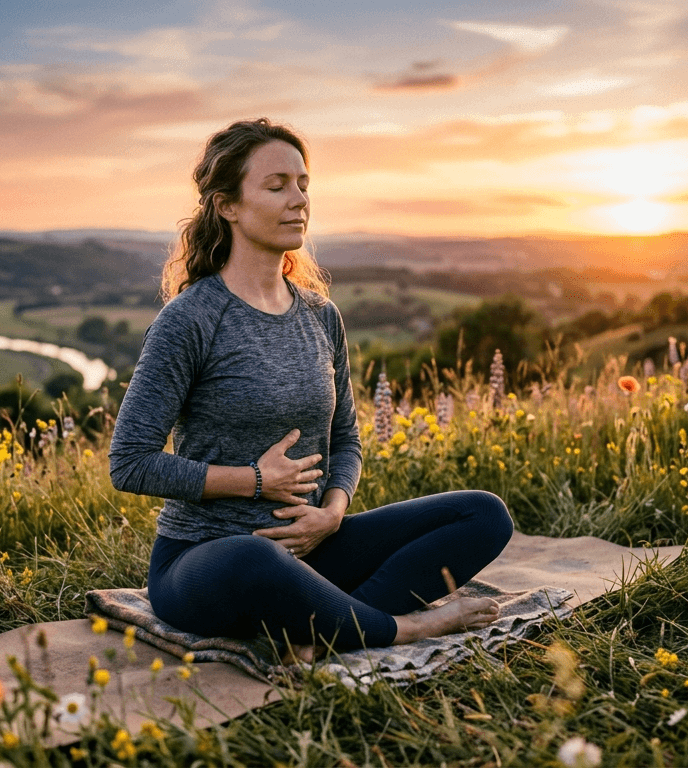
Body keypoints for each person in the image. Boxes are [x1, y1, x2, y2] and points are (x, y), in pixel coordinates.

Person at [109, 118, 514, 660]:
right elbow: (130, 462)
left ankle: (318, 630)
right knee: (255, 561)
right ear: (227, 205)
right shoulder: (191, 320)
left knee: (484, 515)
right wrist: (253, 481)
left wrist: (333, 511)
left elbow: (346, 439)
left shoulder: (321, 316)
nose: (299, 199)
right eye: (277, 186)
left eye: (303, 184)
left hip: (314, 547)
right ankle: (405, 628)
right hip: (208, 560)